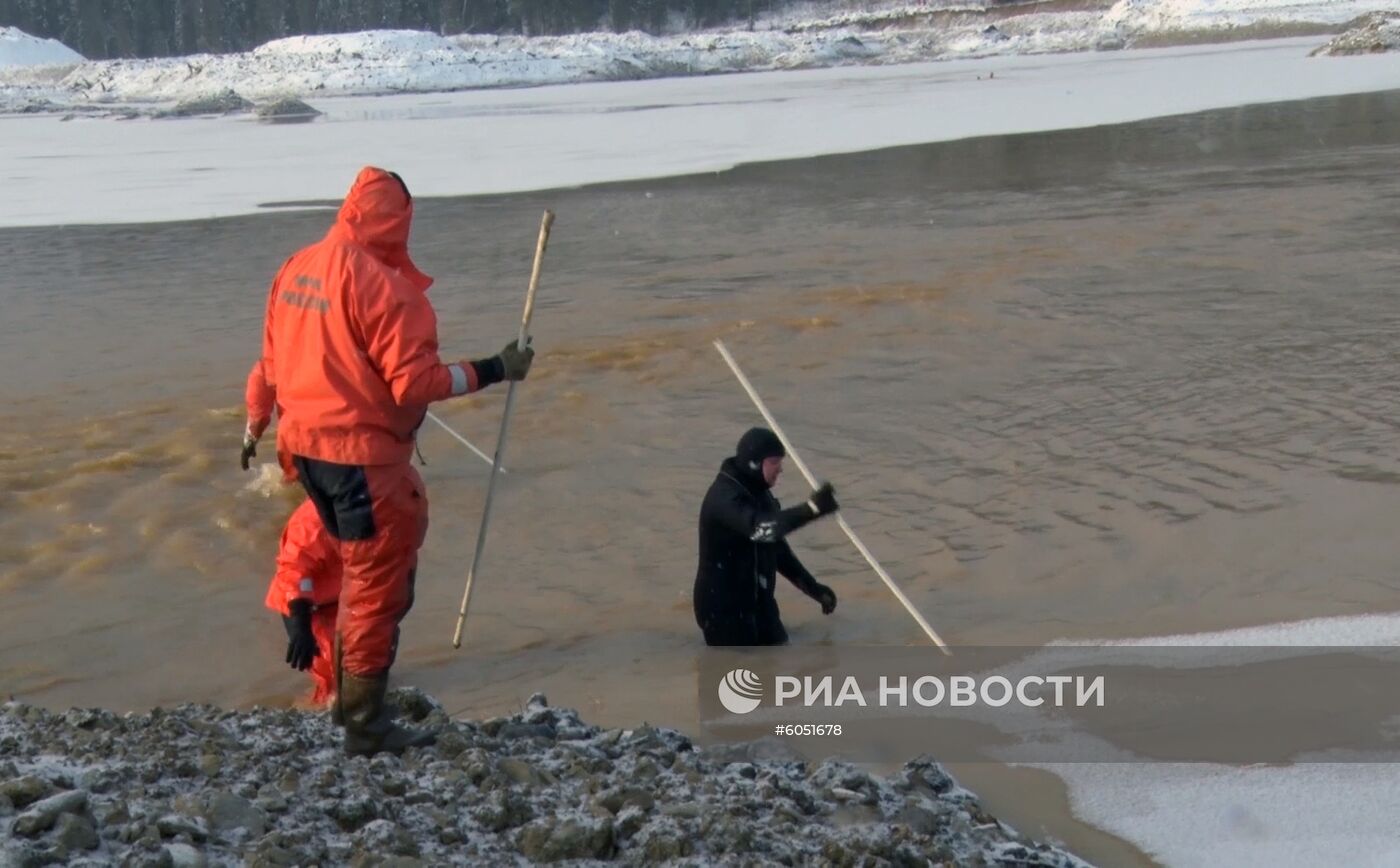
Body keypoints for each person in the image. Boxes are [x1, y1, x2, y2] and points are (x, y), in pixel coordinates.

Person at [247, 166, 534, 756]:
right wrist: (495, 368)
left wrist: (253, 425)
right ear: (399, 220)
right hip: (361, 459)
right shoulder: (385, 288)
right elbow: (416, 385)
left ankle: (343, 696)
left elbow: (269, 369)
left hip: (306, 454)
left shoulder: (294, 268)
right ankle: (364, 725)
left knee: (359, 575)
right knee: (377, 589)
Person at [693, 426, 840, 646]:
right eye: (774, 462)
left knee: (778, 654)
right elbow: (762, 529)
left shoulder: (759, 493)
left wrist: (813, 588)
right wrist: (811, 509)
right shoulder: (724, 498)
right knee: (743, 674)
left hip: (759, 604)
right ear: (754, 463)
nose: (780, 469)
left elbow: (777, 549)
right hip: (723, 610)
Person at [264, 499, 341, 708]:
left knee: (369, 659)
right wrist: (300, 626)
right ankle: (318, 711)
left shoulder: (376, 502)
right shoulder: (312, 522)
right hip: (303, 604)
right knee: (332, 677)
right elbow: (295, 572)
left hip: (343, 593)